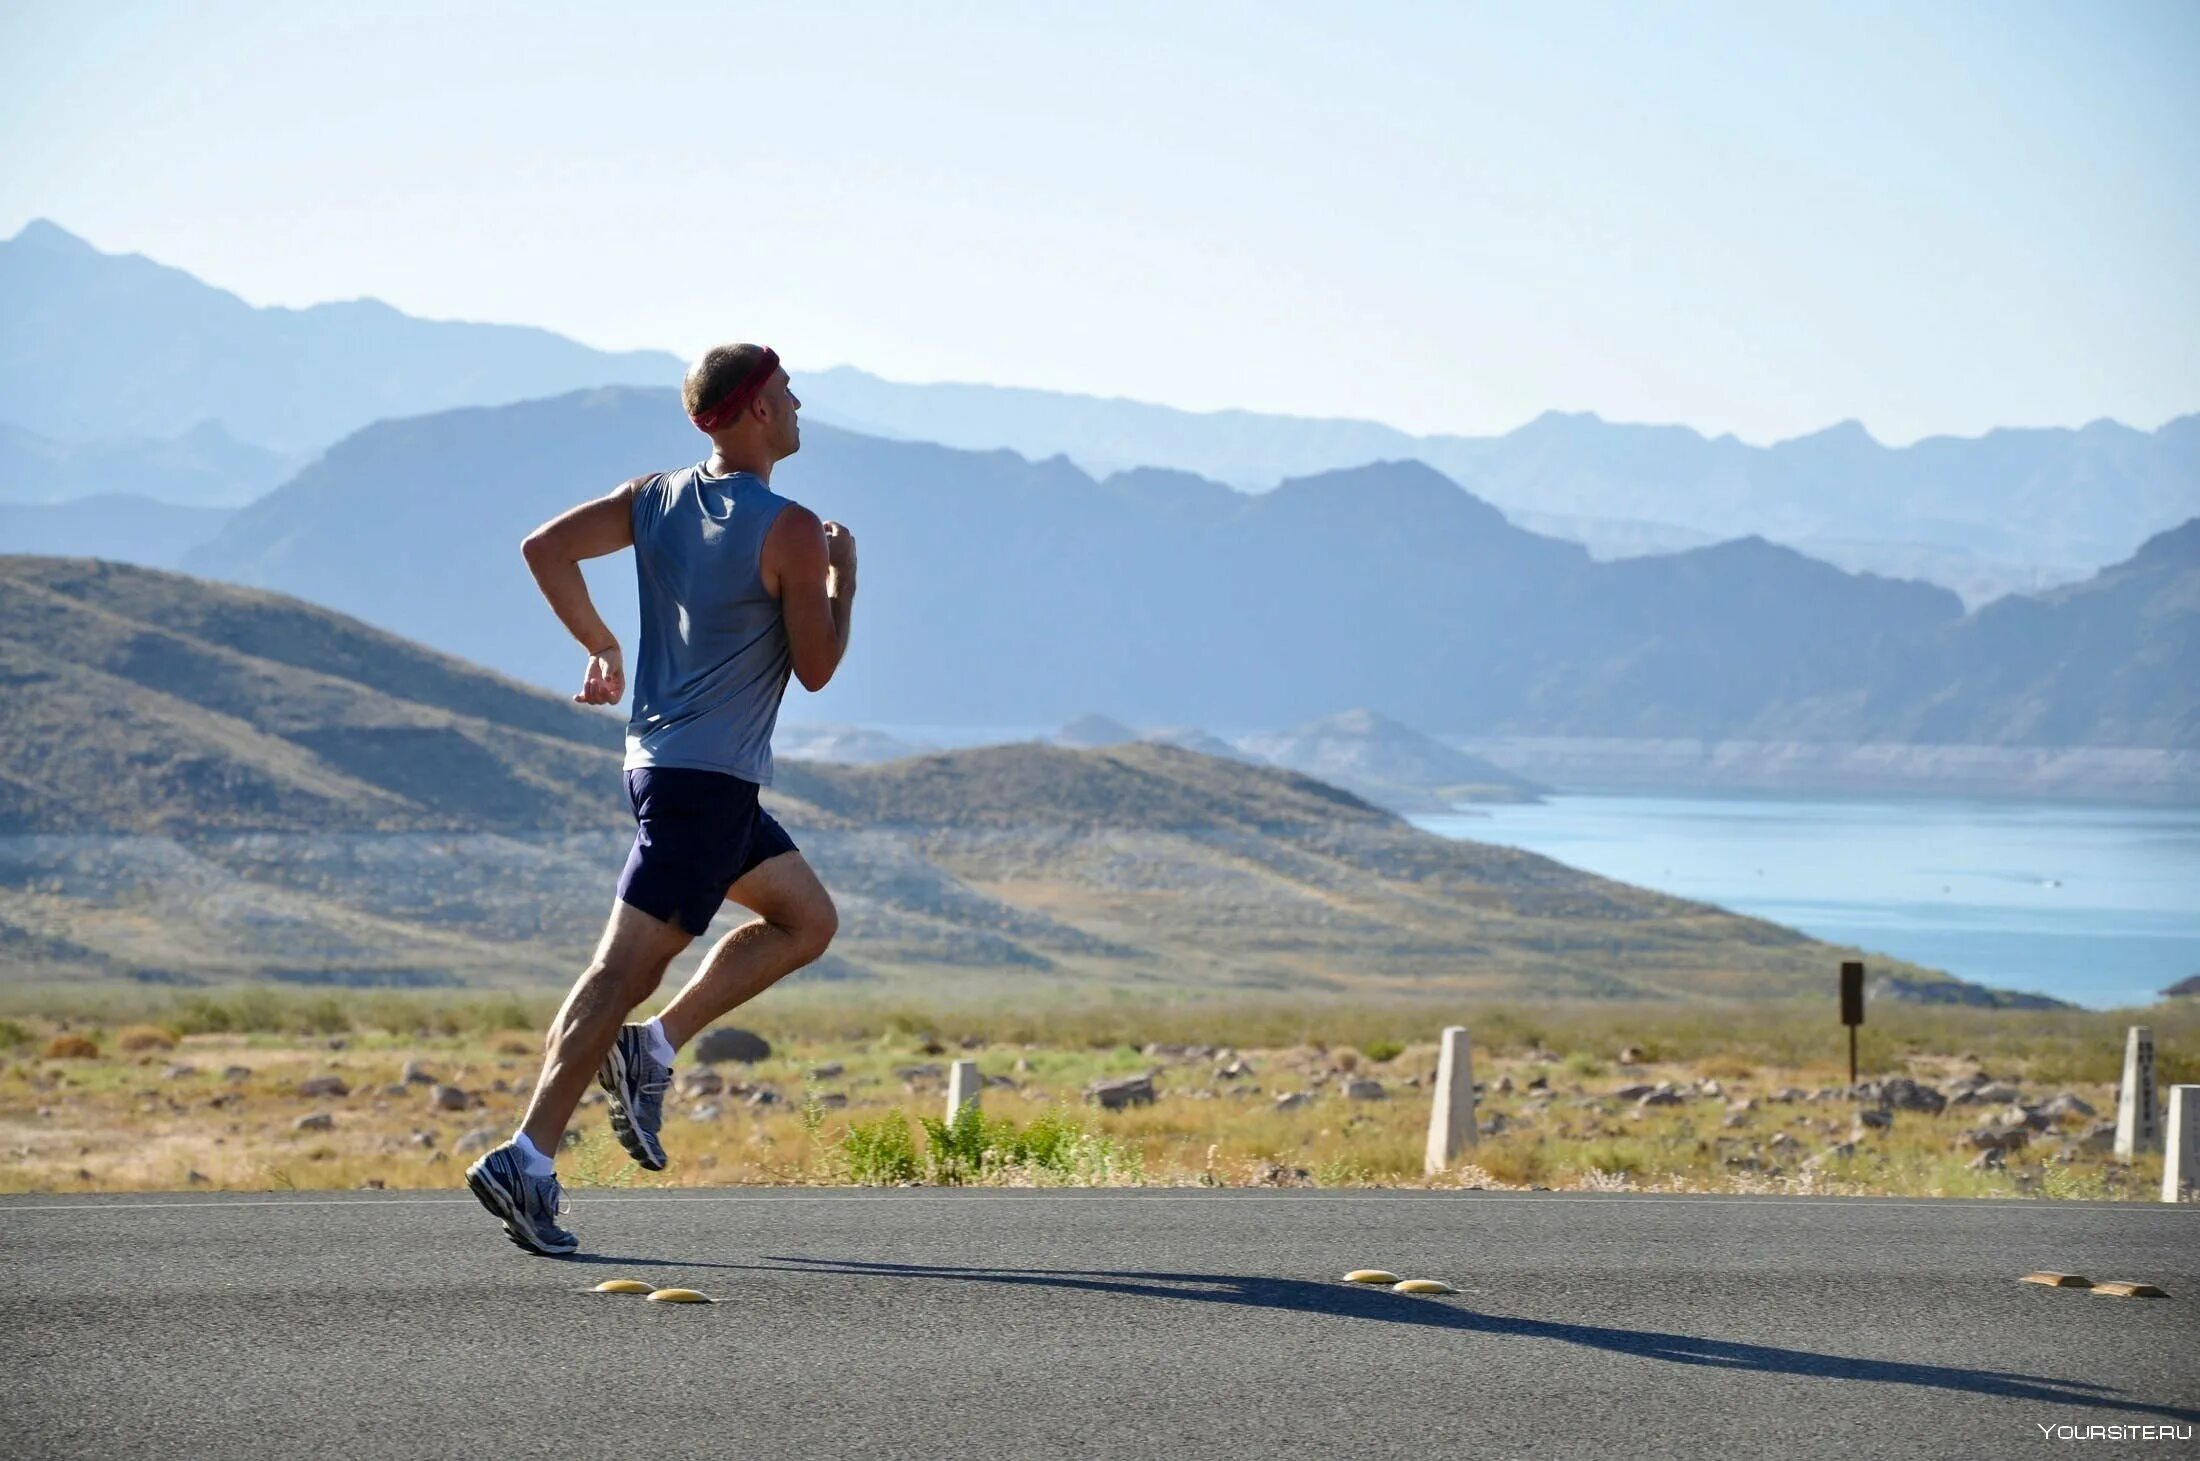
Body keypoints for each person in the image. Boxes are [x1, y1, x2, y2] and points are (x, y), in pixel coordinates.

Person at [465, 343, 856, 1254]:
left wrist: (600, 643)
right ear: (756, 409)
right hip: (705, 784)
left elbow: (545, 547)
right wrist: (844, 577)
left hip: (668, 770)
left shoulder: (655, 496)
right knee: (618, 971)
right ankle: (527, 1155)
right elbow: (818, 668)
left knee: (806, 919)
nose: (800, 407)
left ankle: (653, 1046)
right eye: (789, 395)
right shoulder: (791, 529)